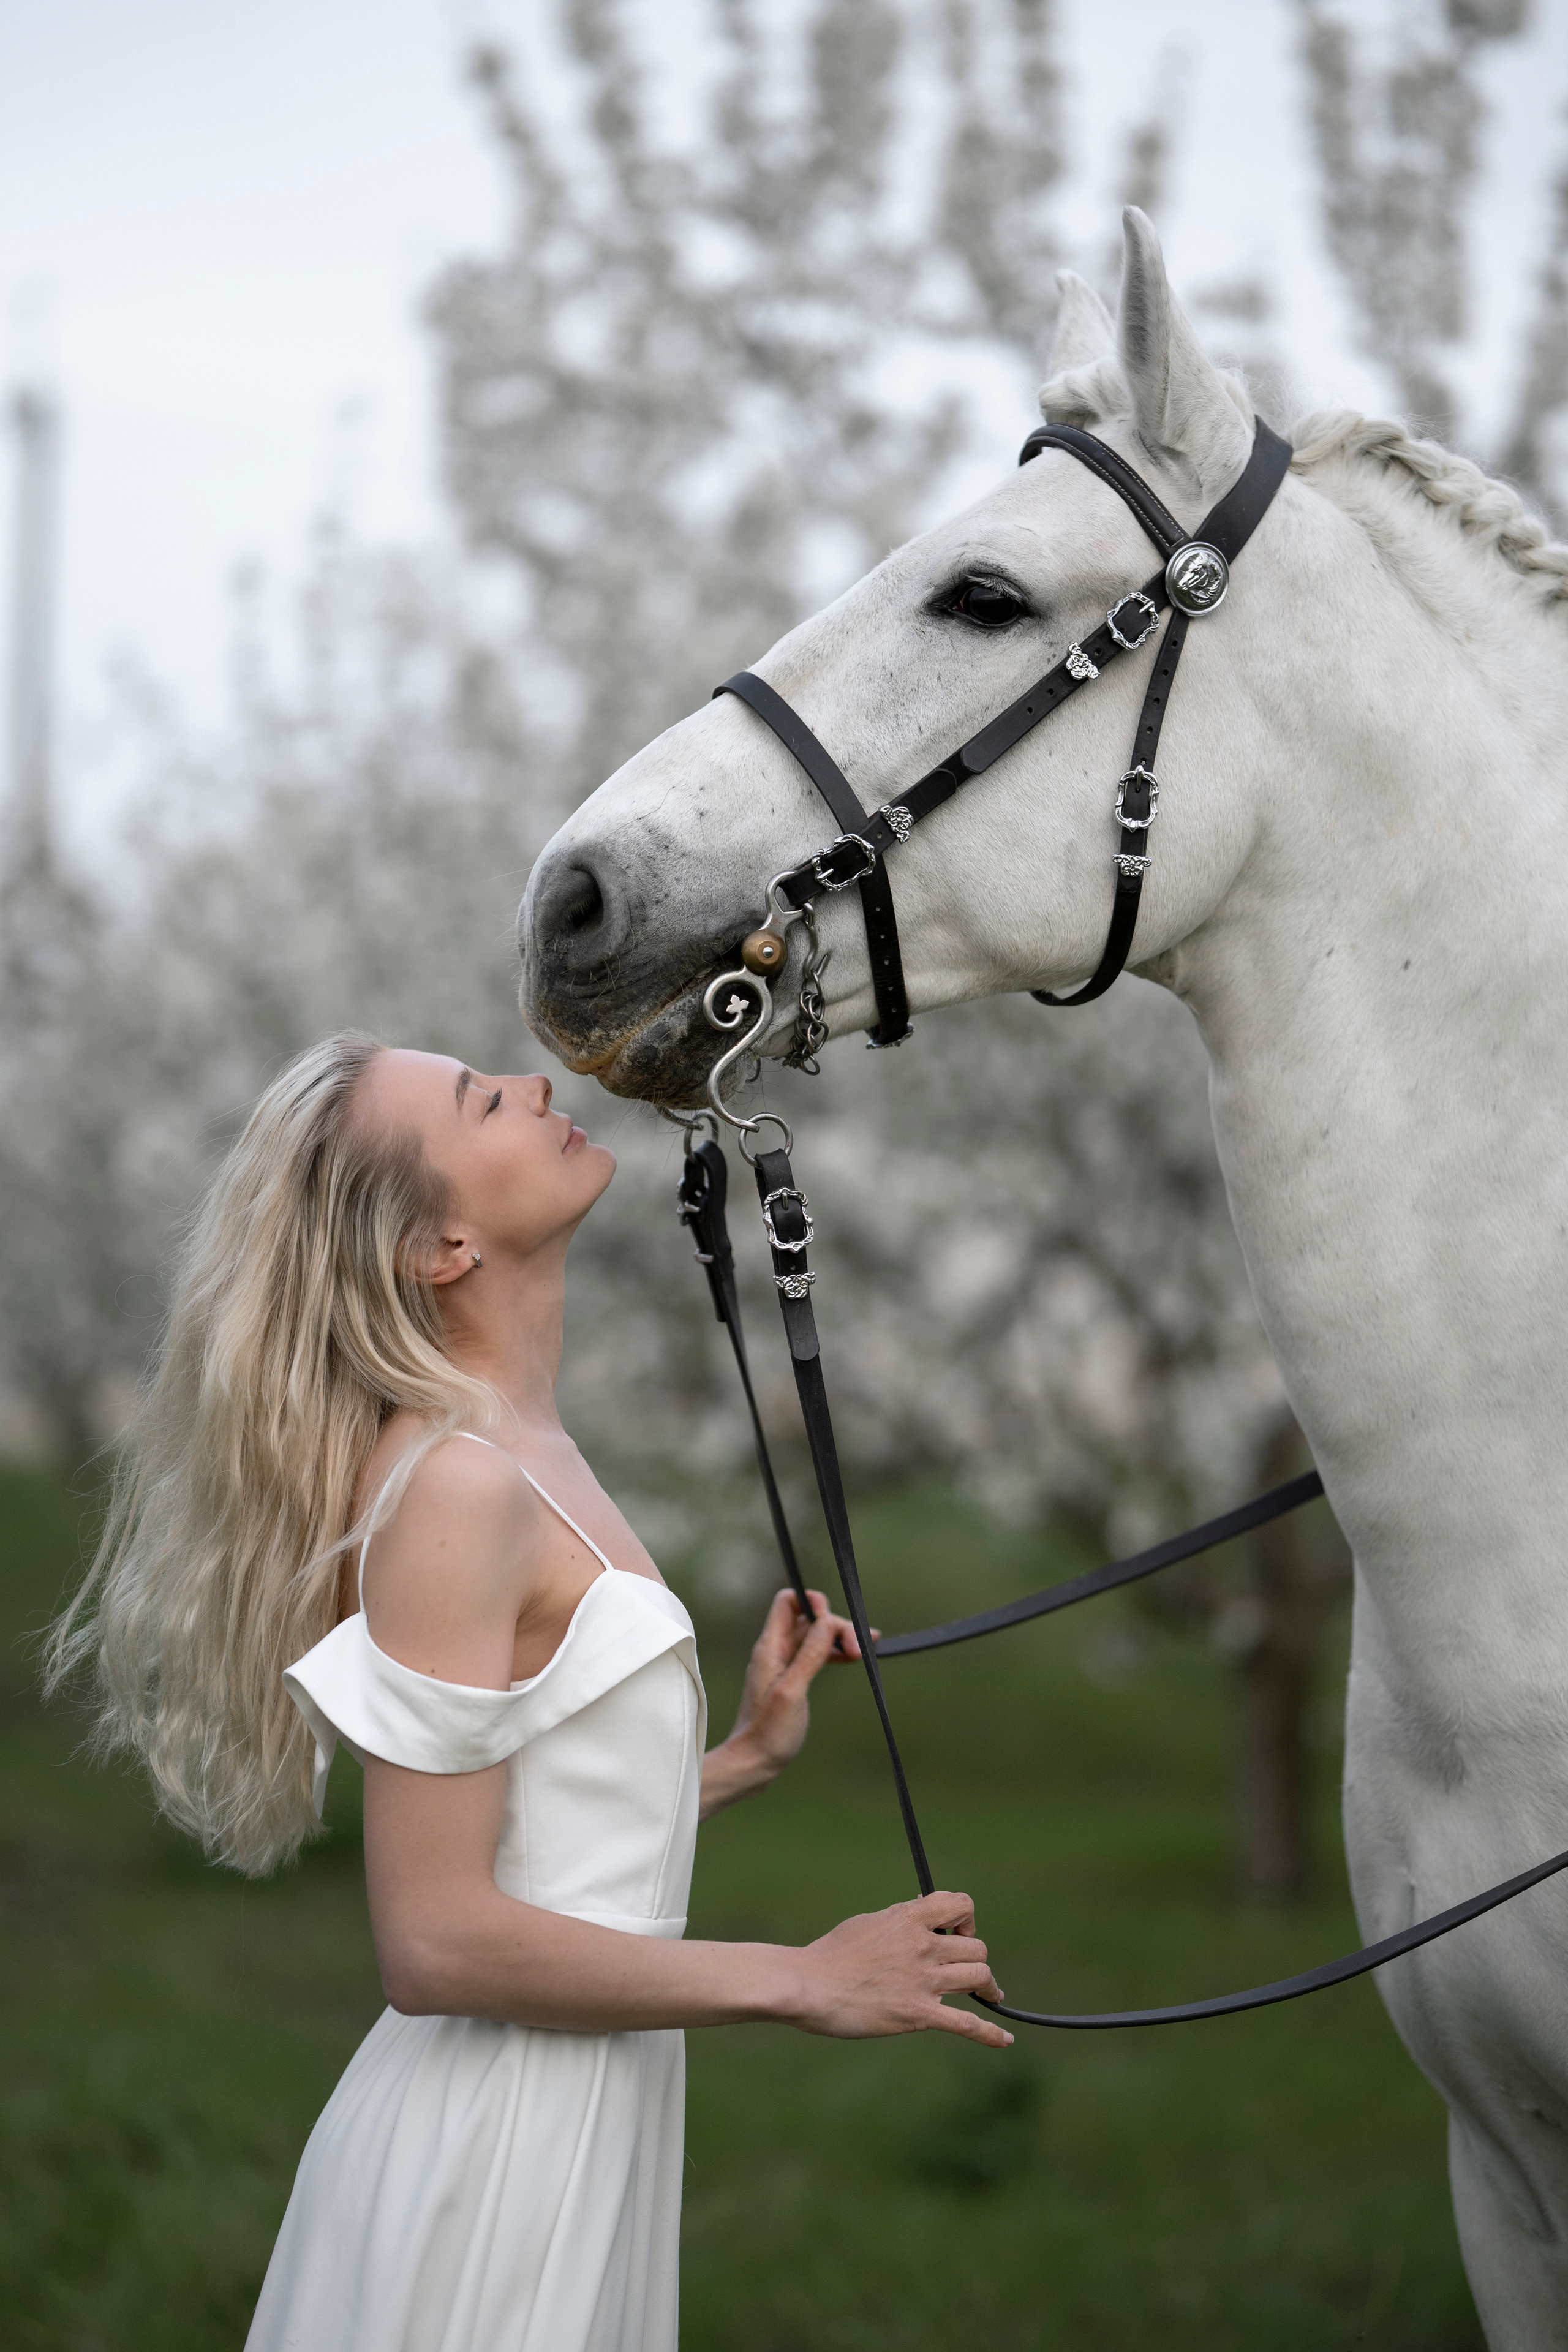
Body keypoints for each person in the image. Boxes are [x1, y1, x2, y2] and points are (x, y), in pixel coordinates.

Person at [49, 1032, 1008, 2352]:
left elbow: (529, 1833)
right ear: (439, 1245)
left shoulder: (523, 1448)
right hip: (495, 2162)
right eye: (481, 1101)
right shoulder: (457, 1485)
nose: (539, 1088)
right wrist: (801, 1978)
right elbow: (433, 1942)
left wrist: (731, 1761)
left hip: (583, 2122)